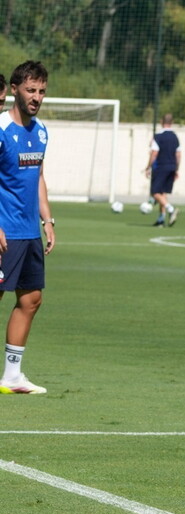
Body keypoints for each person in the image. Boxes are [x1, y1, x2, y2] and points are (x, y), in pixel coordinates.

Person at [0, 60, 55, 395]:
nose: (36, 97)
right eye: (31, 90)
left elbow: (39, 178)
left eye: (42, 92)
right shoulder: (1, 130)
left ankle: (12, 376)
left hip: (29, 233)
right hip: (5, 232)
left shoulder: (42, 132)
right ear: (15, 89)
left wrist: (48, 220)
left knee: (32, 298)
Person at [144, 113, 181, 227]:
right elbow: (178, 155)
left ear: (161, 121)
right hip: (172, 167)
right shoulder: (175, 137)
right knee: (163, 193)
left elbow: (154, 153)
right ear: (172, 122)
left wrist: (148, 166)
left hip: (161, 167)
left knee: (155, 193)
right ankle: (161, 219)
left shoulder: (158, 136)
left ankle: (171, 210)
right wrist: (176, 169)